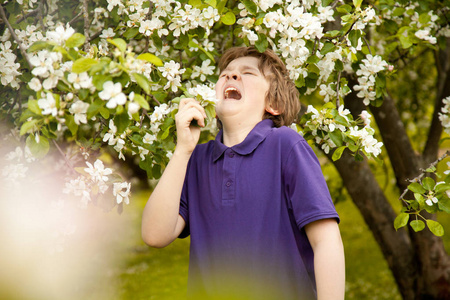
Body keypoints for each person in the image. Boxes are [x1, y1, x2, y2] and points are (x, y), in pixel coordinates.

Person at [141, 46, 345, 300]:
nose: (232, 76)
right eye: (225, 73)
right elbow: (154, 234)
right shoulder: (196, 160)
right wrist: (182, 150)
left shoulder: (285, 145)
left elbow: (326, 241)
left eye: (247, 73)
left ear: (273, 104)